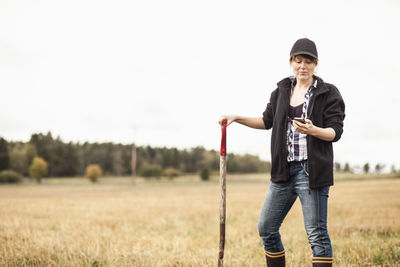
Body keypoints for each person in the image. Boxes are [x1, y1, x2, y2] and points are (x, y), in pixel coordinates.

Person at [218, 38, 345, 267]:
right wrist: (235, 118)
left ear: (316, 64)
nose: (302, 66)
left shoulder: (328, 93)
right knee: (266, 228)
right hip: (283, 172)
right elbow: (266, 121)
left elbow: (335, 132)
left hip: (311, 172)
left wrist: (313, 130)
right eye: (298, 61)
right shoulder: (281, 91)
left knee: (316, 235)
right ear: (291, 62)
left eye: (308, 61)